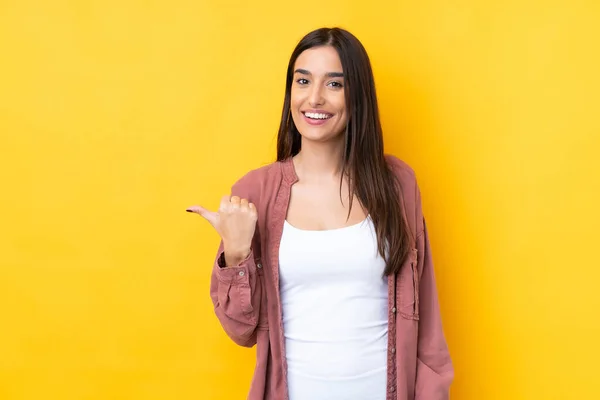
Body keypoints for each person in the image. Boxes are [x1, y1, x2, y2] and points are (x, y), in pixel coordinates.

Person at [187, 27, 453, 400]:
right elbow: (241, 331)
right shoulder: (255, 193)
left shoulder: (397, 185)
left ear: (357, 95)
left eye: (334, 85)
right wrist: (236, 254)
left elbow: (428, 330)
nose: (314, 98)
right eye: (303, 81)